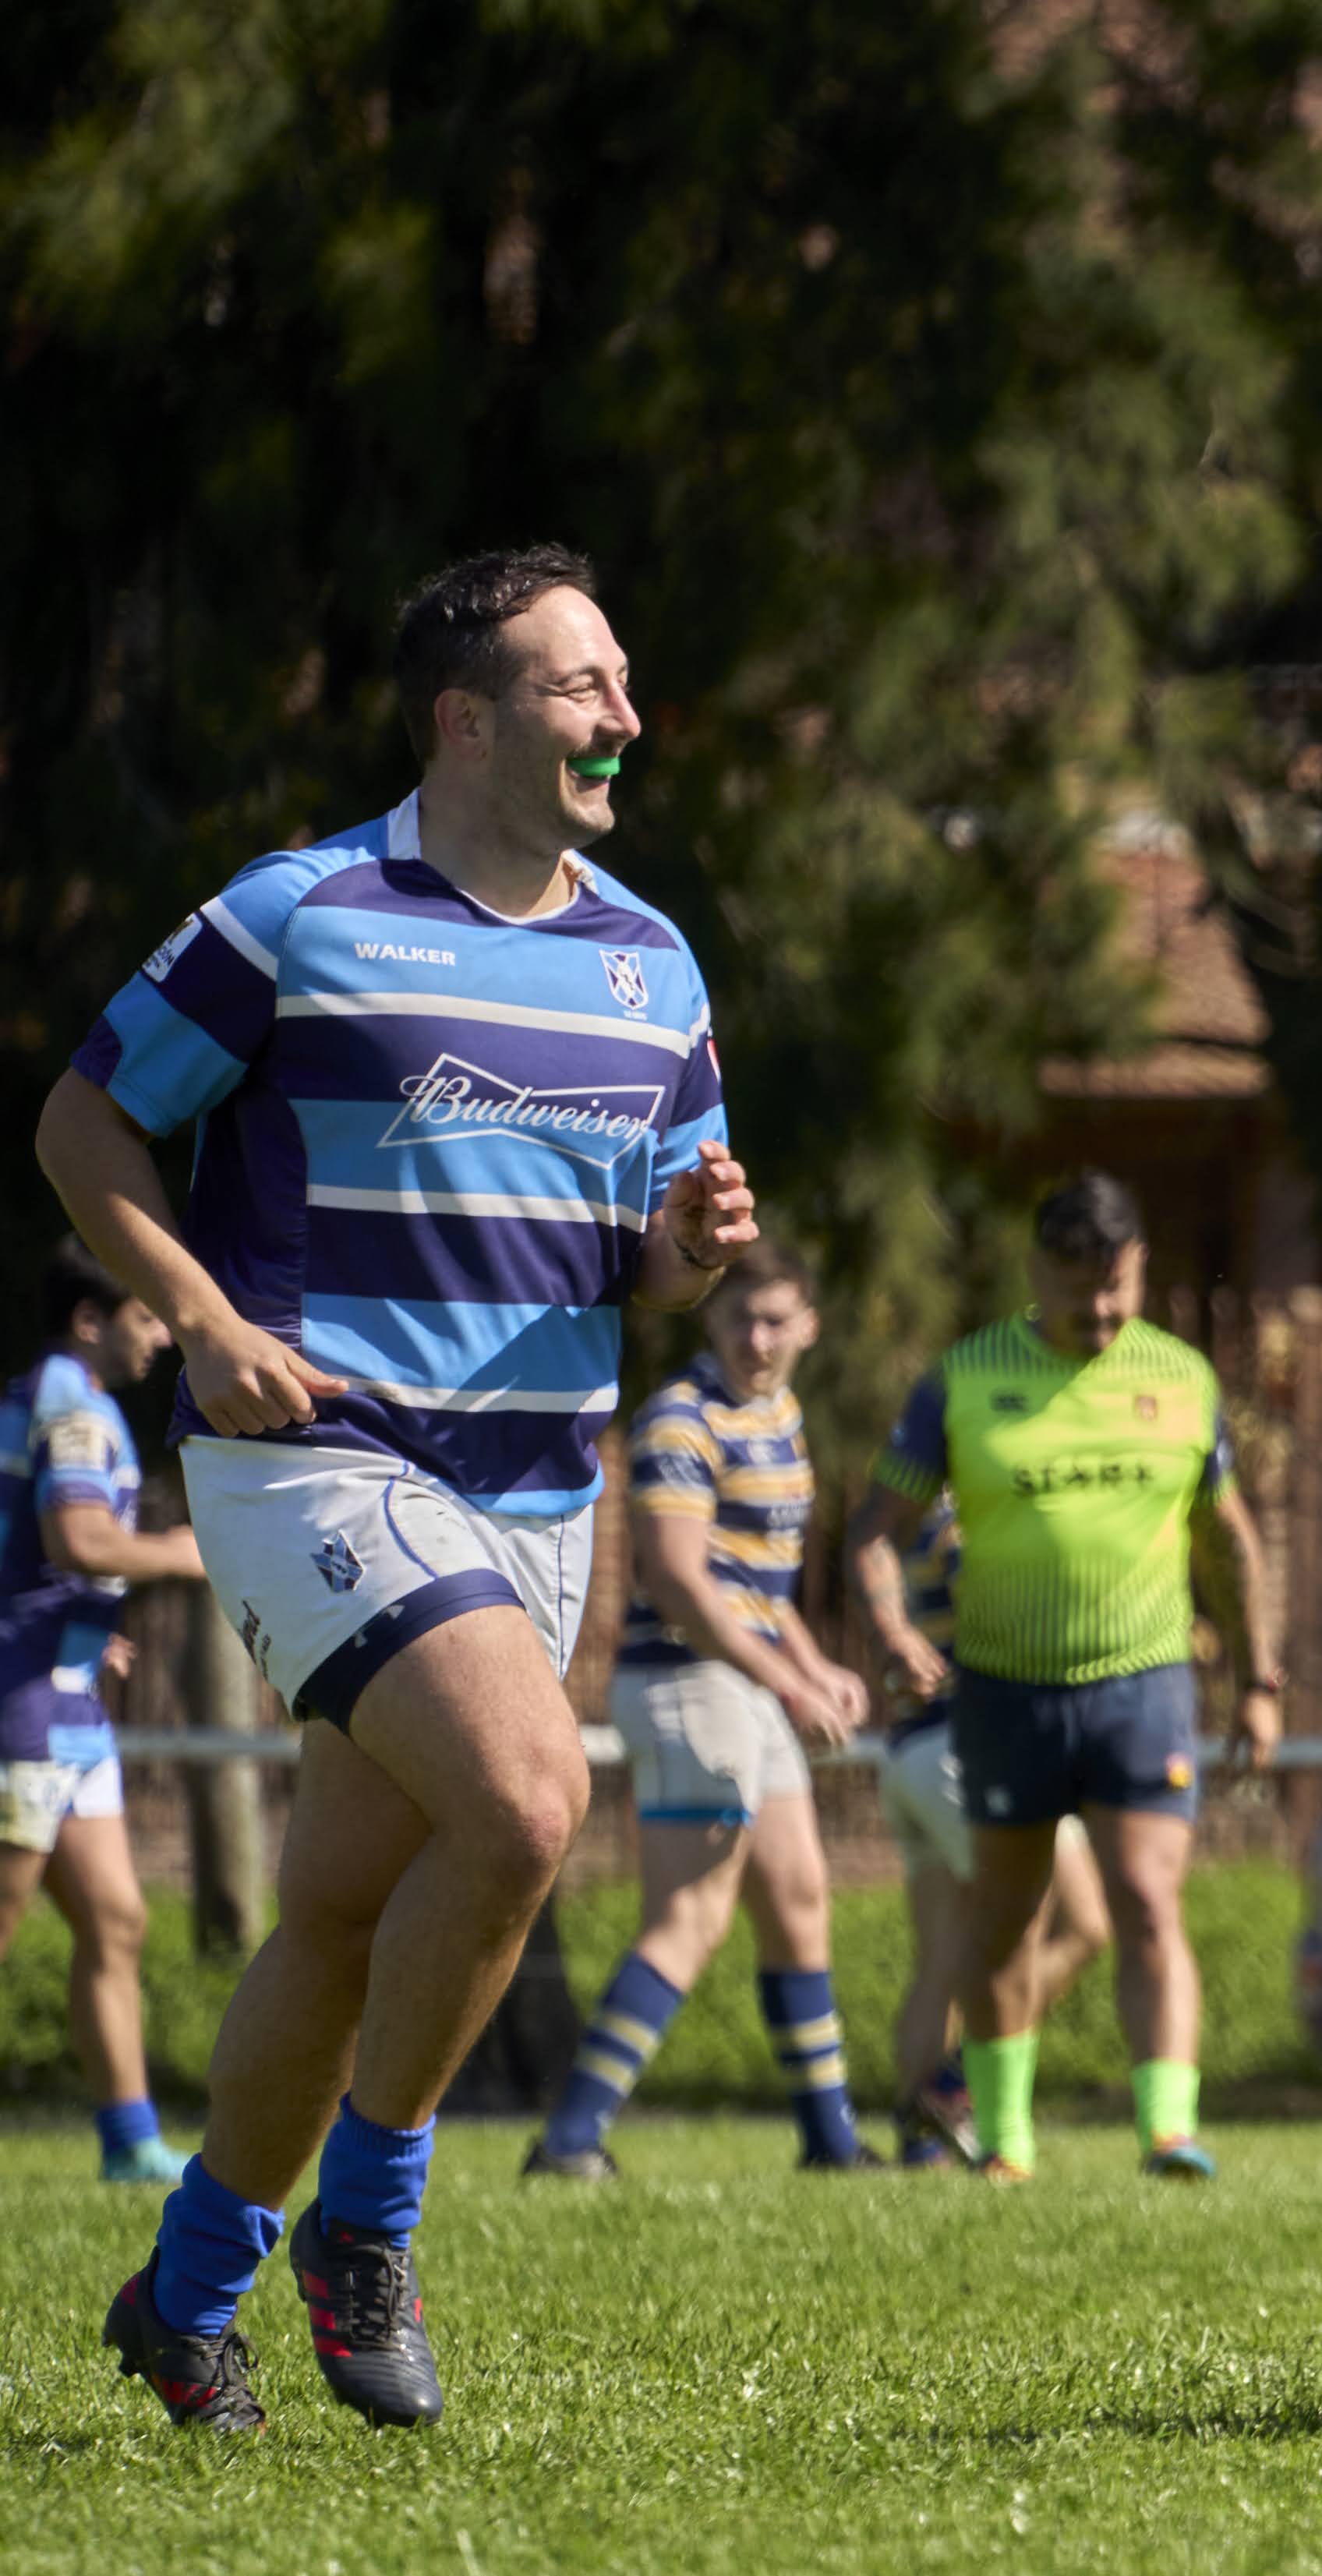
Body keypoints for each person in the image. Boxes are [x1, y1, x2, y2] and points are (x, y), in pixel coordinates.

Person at [39, 544, 754, 2433]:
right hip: (319, 1456)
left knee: (348, 1915)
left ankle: (185, 2297)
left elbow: (658, 1244)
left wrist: (694, 1240)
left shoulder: (651, 957)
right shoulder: (300, 912)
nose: (624, 714)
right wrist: (193, 1313)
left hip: (537, 1489)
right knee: (529, 1801)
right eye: (580, 684)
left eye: (621, 678)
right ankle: (370, 2229)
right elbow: (81, 1119)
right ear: (466, 718)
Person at [847, 1172, 1280, 2182]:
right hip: (1005, 1688)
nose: (1101, 1309)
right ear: (1038, 1270)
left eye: (1121, 1286)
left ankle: (1168, 2130)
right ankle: (1006, 2140)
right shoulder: (964, 1379)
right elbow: (876, 1527)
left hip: (1144, 1683)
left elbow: (1230, 1538)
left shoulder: (1179, 1378)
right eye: (1082, 1287)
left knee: (1144, 1897)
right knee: (1008, 1914)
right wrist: (891, 1624)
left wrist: (1261, 1678)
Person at [525, 1242, 877, 2178]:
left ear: (808, 1324)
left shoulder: (782, 1415)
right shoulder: (681, 1416)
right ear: (712, 1320)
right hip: (686, 1681)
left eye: (774, 1320)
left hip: (747, 1680)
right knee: (691, 1914)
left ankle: (831, 2140)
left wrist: (811, 1663)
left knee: (800, 1900)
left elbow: (760, 1590)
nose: (756, 1338)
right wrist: (790, 1682)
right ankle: (570, 2136)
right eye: (738, 1319)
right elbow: (680, 1581)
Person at [0, 1236, 203, 2184]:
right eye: (147, 1314)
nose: (163, 1334)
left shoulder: (69, 1402)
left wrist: (91, 1631)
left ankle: (129, 2142)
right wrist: (193, 1552)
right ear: (92, 1321)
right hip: (24, 1700)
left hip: (66, 1694)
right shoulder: (71, 1404)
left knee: (117, 1916)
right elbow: (79, 1537)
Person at [849, 1486, 1114, 2168]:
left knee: (941, 1957)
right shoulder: (966, 1521)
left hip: (908, 1753)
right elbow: (1006, 1622)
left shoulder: (908, 1521)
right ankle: (953, 2085)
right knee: (1079, 1924)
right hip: (966, 1751)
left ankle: (919, 2143)